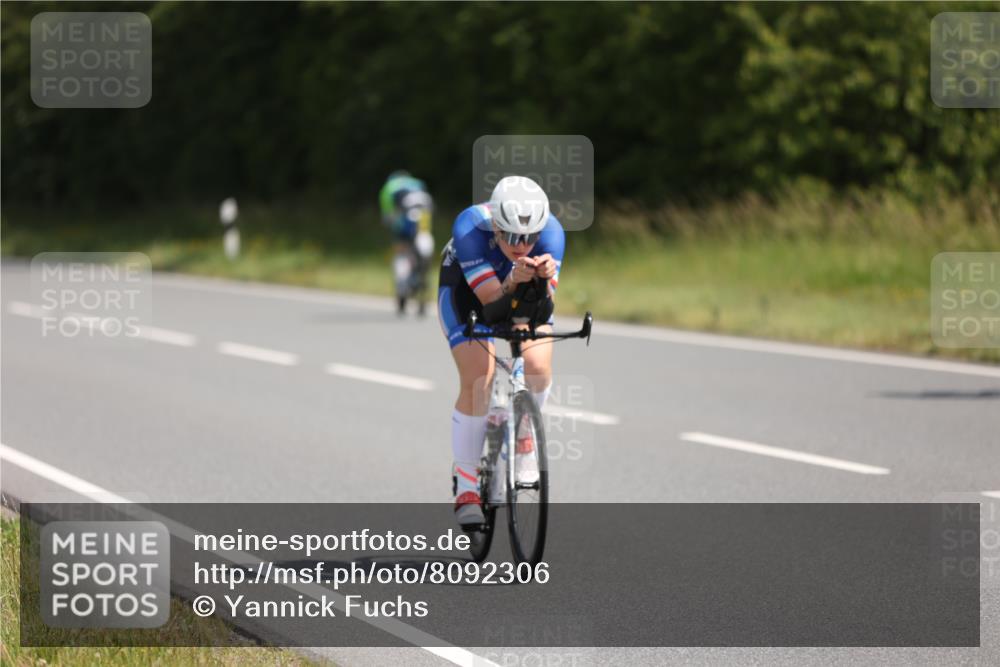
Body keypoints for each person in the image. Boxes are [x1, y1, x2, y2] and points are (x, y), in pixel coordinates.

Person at [437, 175, 564, 526]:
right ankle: (466, 485)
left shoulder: (552, 233)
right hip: (466, 294)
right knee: (480, 376)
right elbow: (492, 305)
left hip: (518, 292)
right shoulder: (470, 228)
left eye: (530, 237)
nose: (521, 245)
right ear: (495, 225)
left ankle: (524, 442)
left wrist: (543, 281)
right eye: (510, 236)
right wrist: (513, 280)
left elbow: (542, 310)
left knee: (538, 367)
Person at [379, 171, 435, 315]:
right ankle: (422, 274)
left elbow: (388, 216)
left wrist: (392, 227)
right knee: (424, 239)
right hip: (424, 215)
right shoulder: (418, 183)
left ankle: (402, 283)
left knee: (401, 250)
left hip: (405, 220)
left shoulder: (388, 187)